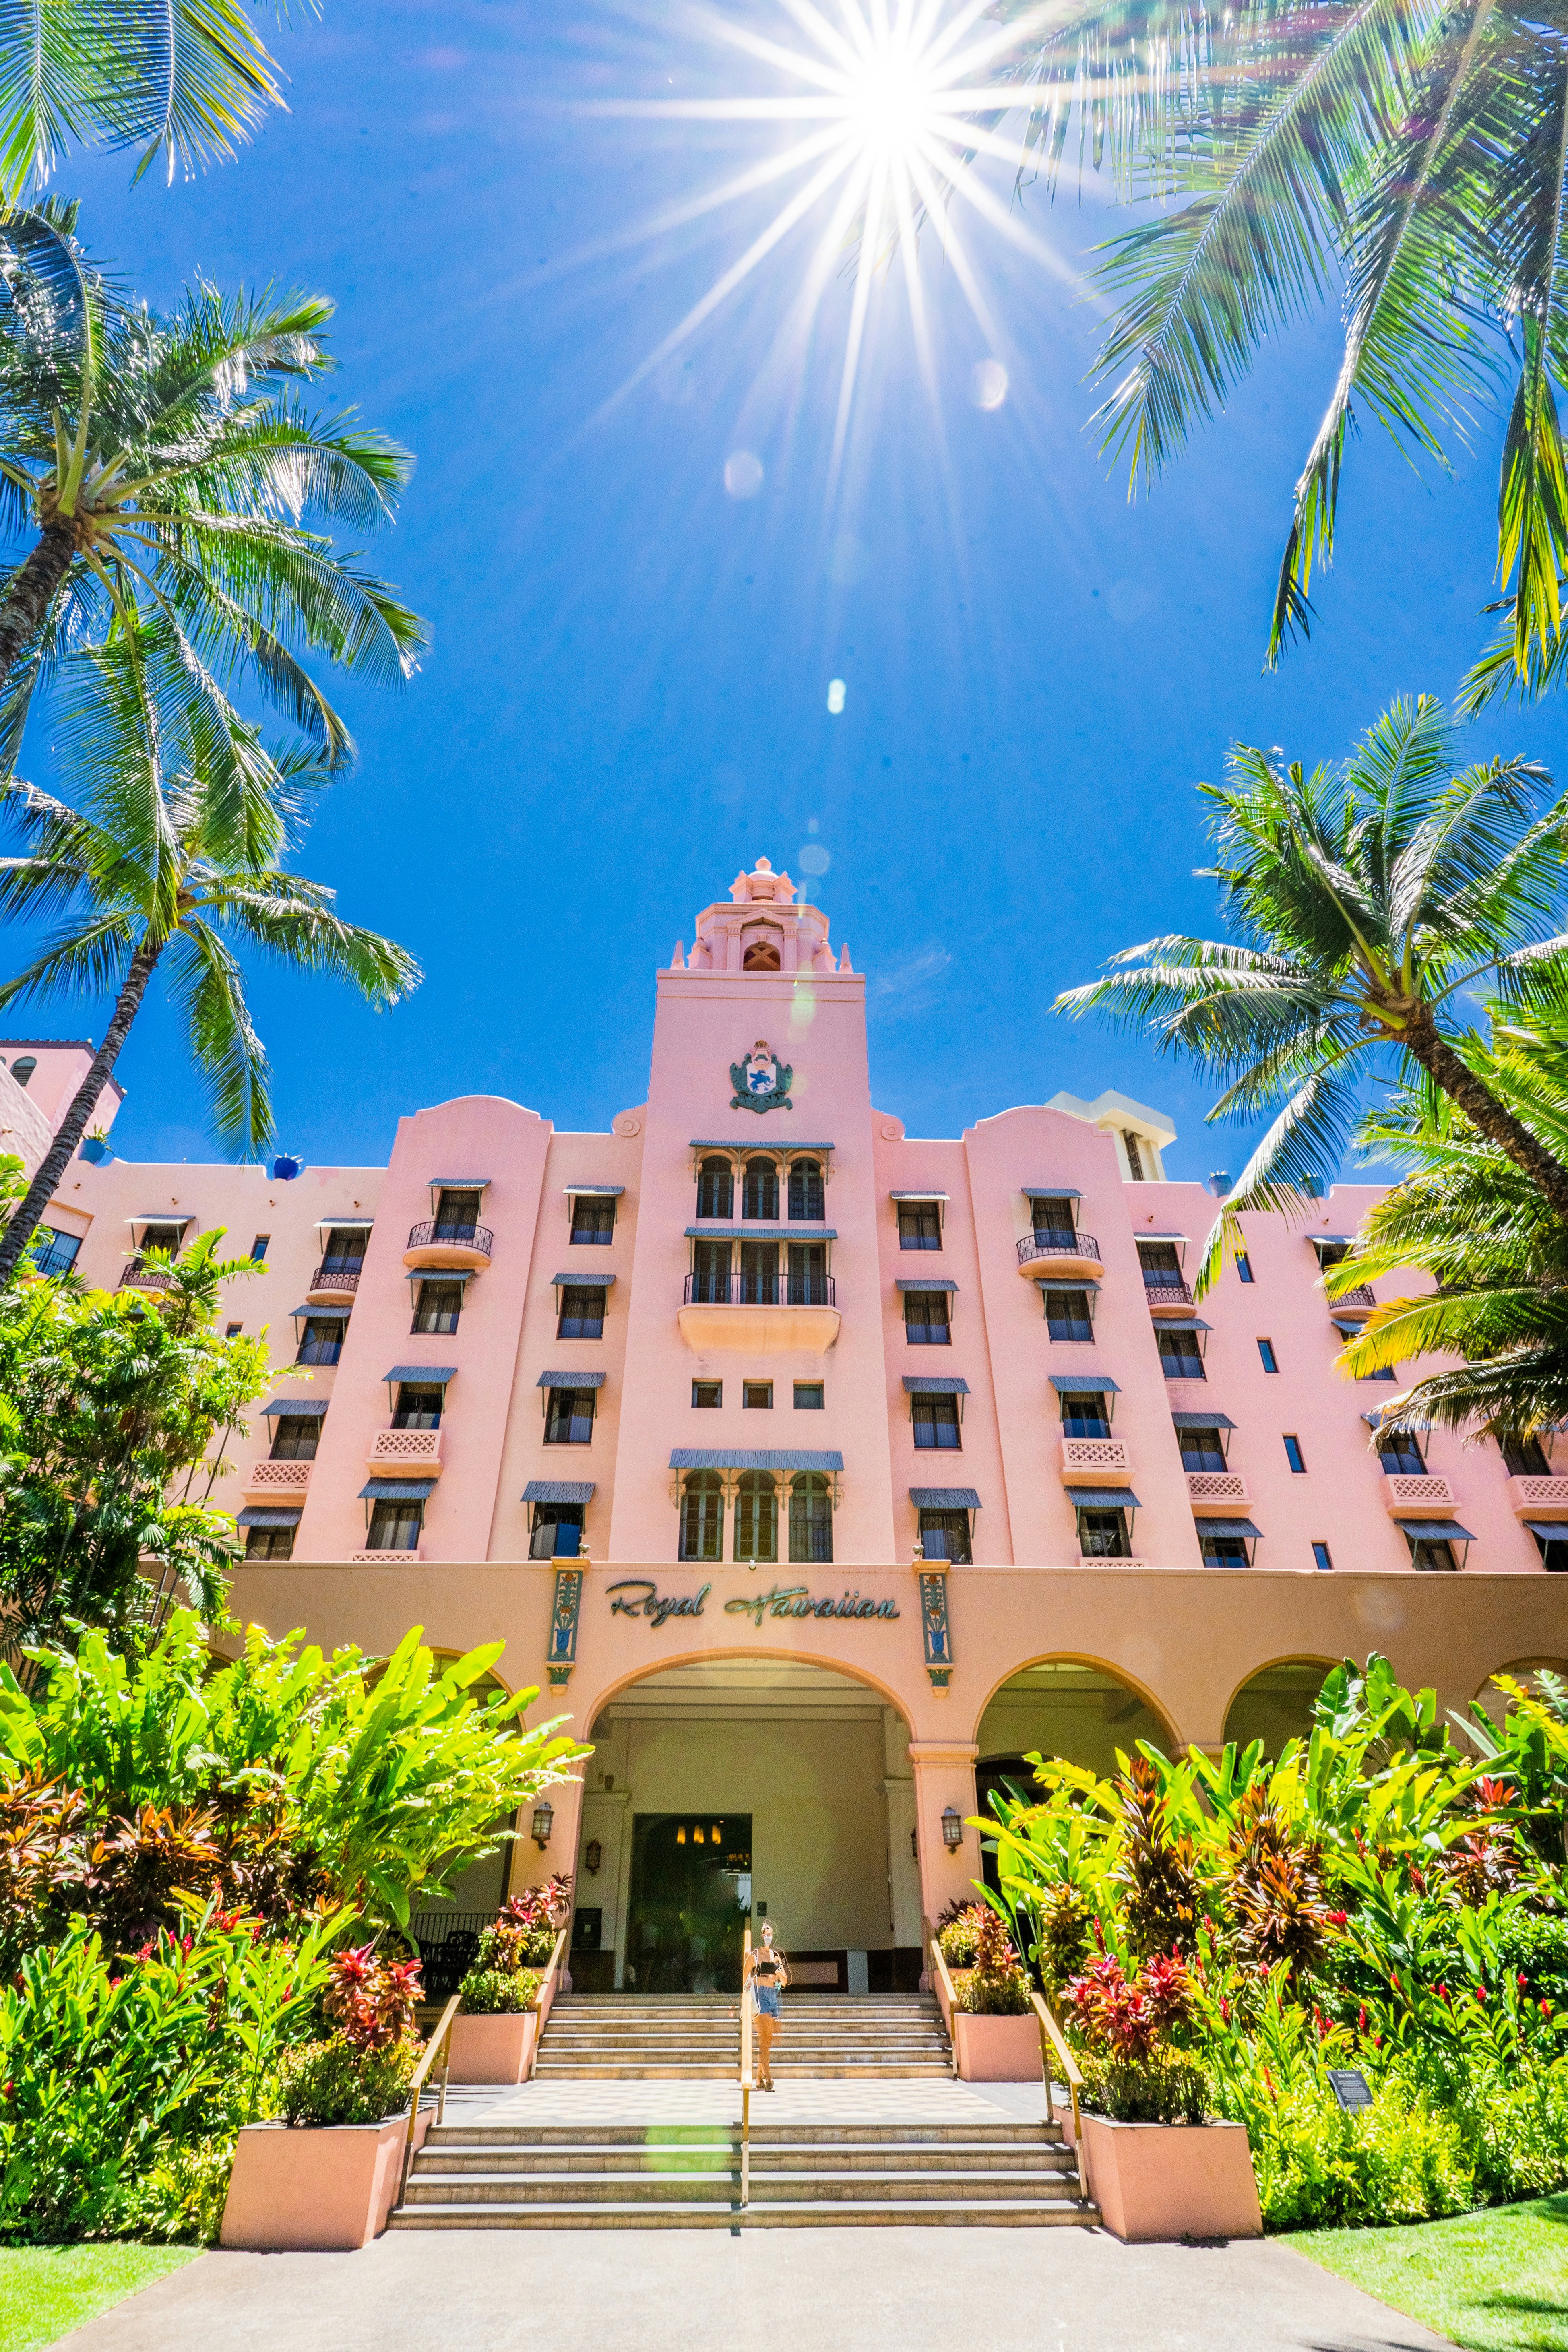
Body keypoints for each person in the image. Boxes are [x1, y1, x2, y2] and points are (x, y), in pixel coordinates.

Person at [744, 1919, 788, 2090]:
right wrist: (745, 1998)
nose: (767, 1935)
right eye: (765, 1932)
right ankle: (768, 2077)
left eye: (770, 1933)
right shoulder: (755, 1954)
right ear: (761, 1935)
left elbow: (784, 1982)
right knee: (764, 2039)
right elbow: (746, 1975)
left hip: (773, 1997)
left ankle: (759, 2077)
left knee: (769, 2039)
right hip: (760, 1995)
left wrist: (777, 1974)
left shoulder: (776, 1957)